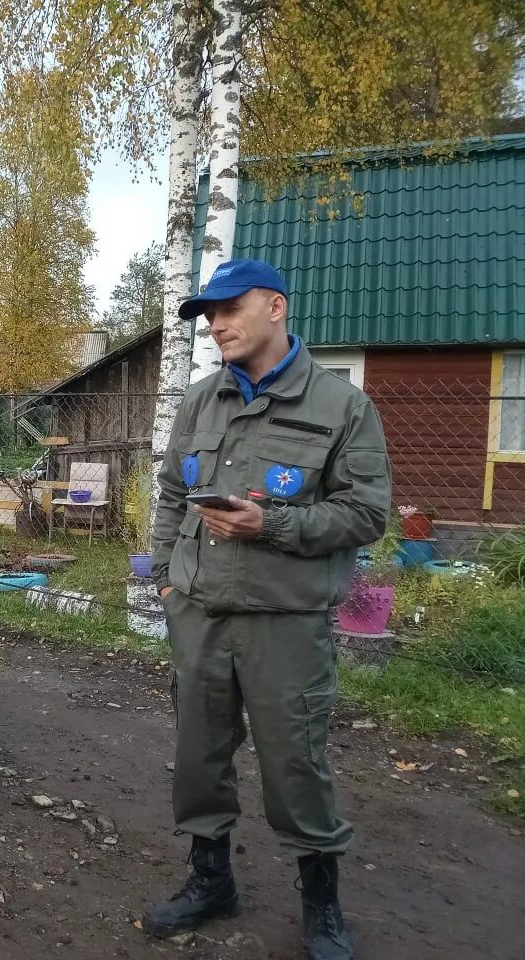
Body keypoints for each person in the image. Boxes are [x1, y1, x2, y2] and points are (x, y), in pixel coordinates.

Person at [143, 259, 391, 960]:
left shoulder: (341, 407)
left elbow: (366, 513)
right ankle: (210, 878)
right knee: (198, 757)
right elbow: (168, 495)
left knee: (295, 765)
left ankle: (321, 906)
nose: (215, 325)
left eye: (228, 309)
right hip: (201, 615)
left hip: (286, 621)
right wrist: (166, 582)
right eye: (206, 315)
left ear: (275, 307)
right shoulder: (198, 401)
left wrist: (272, 526)